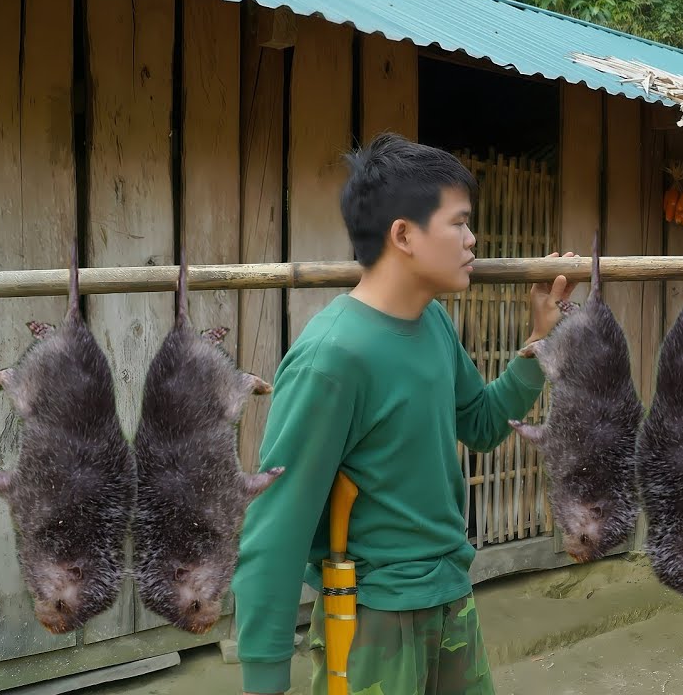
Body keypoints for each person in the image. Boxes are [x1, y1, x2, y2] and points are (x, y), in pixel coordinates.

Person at [231, 132, 576, 695]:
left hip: (450, 597)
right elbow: (277, 524)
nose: (473, 239)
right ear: (403, 235)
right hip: (373, 620)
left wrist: (541, 341)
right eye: (459, 223)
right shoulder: (334, 357)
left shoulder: (435, 324)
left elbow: (483, 424)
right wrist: (265, 677)